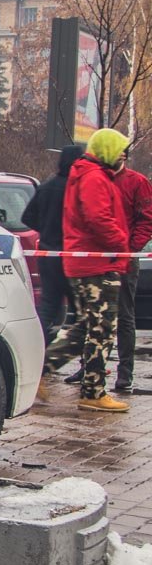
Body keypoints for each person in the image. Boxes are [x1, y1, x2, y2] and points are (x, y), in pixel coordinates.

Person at [39, 128, 132, 412]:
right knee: (102, 330)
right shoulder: (94, 177)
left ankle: (41, 370)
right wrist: (120, 242)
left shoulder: (90, 175)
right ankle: (92, 392)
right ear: (107, 150)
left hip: (89, 264)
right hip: (96, 266)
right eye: (120, 152)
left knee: (85, 327)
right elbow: (97, 217)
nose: (122, 157)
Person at [21, 144, 84, 345]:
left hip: (48, 254)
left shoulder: (47, 187)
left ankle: (35, 349)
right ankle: (85, 361)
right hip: (72, 255)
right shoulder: (77, 188)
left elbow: (27, 217)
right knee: (81, 309)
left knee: (48, 307)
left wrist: (46, 229)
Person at [110, 147, 152, 391]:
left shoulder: (137, 182)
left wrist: (131, 248)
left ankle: (124, 373)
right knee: (96, 315)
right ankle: (90, 368)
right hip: (100, 258)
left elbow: (147, 219)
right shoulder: (101, 179)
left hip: (125, 258)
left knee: (125, 316)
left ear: (123, 156)